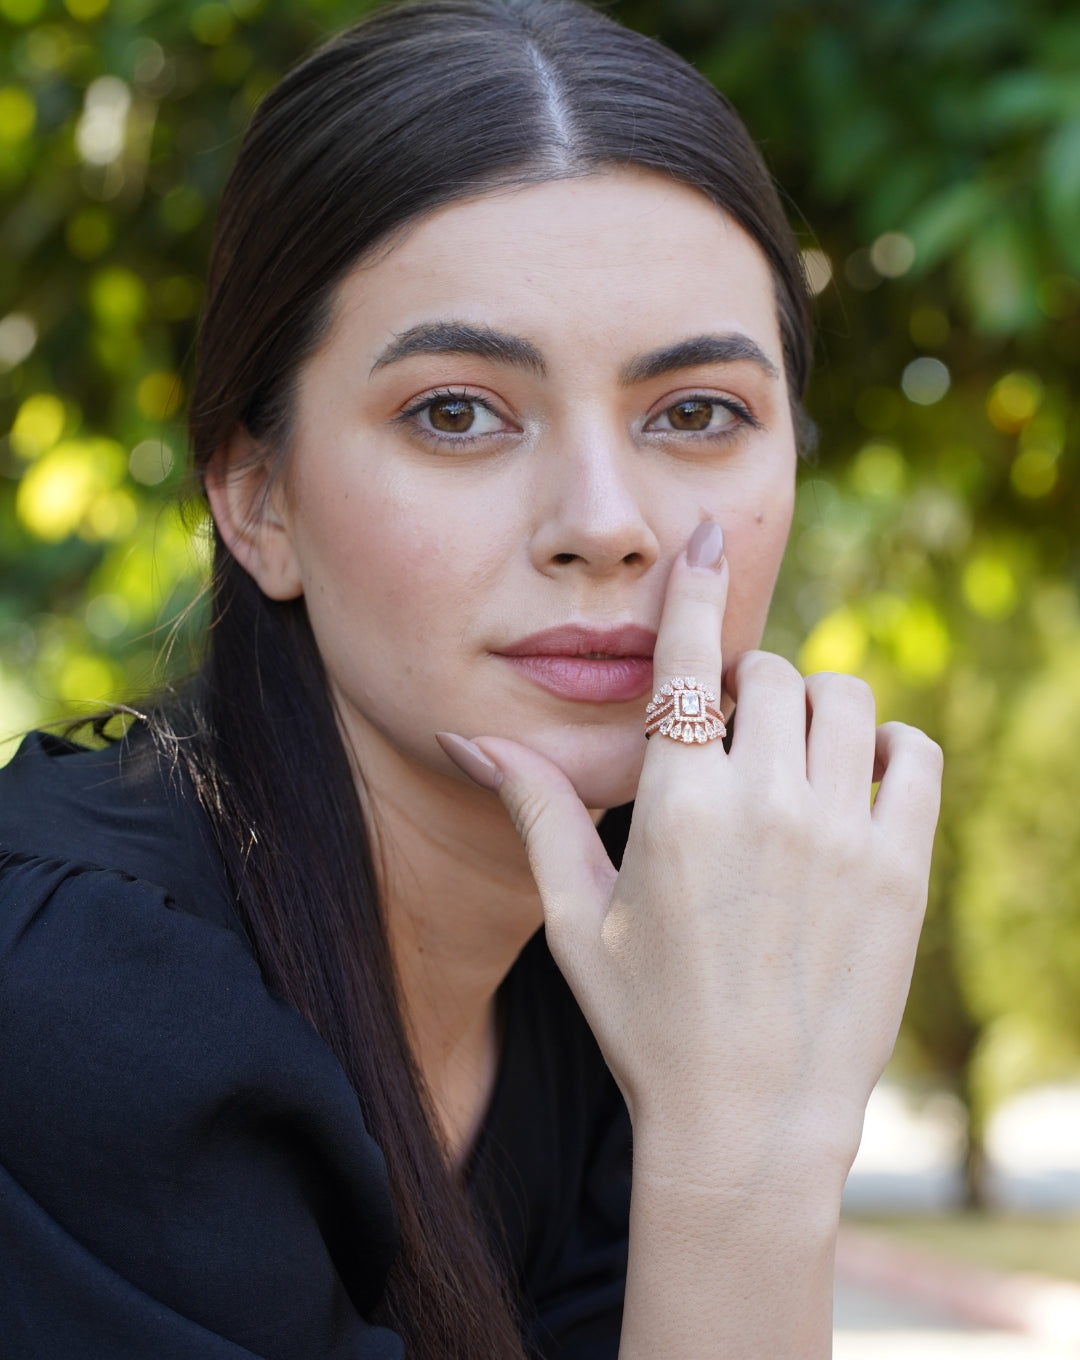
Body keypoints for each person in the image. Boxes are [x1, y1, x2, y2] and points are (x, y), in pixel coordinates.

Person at [0, 0, 943, 1355]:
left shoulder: (636, 952)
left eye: (696, 413)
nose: (606, 521)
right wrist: (744, 1152)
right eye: (457, 412)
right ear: (255, 499)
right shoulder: (77, 1006)